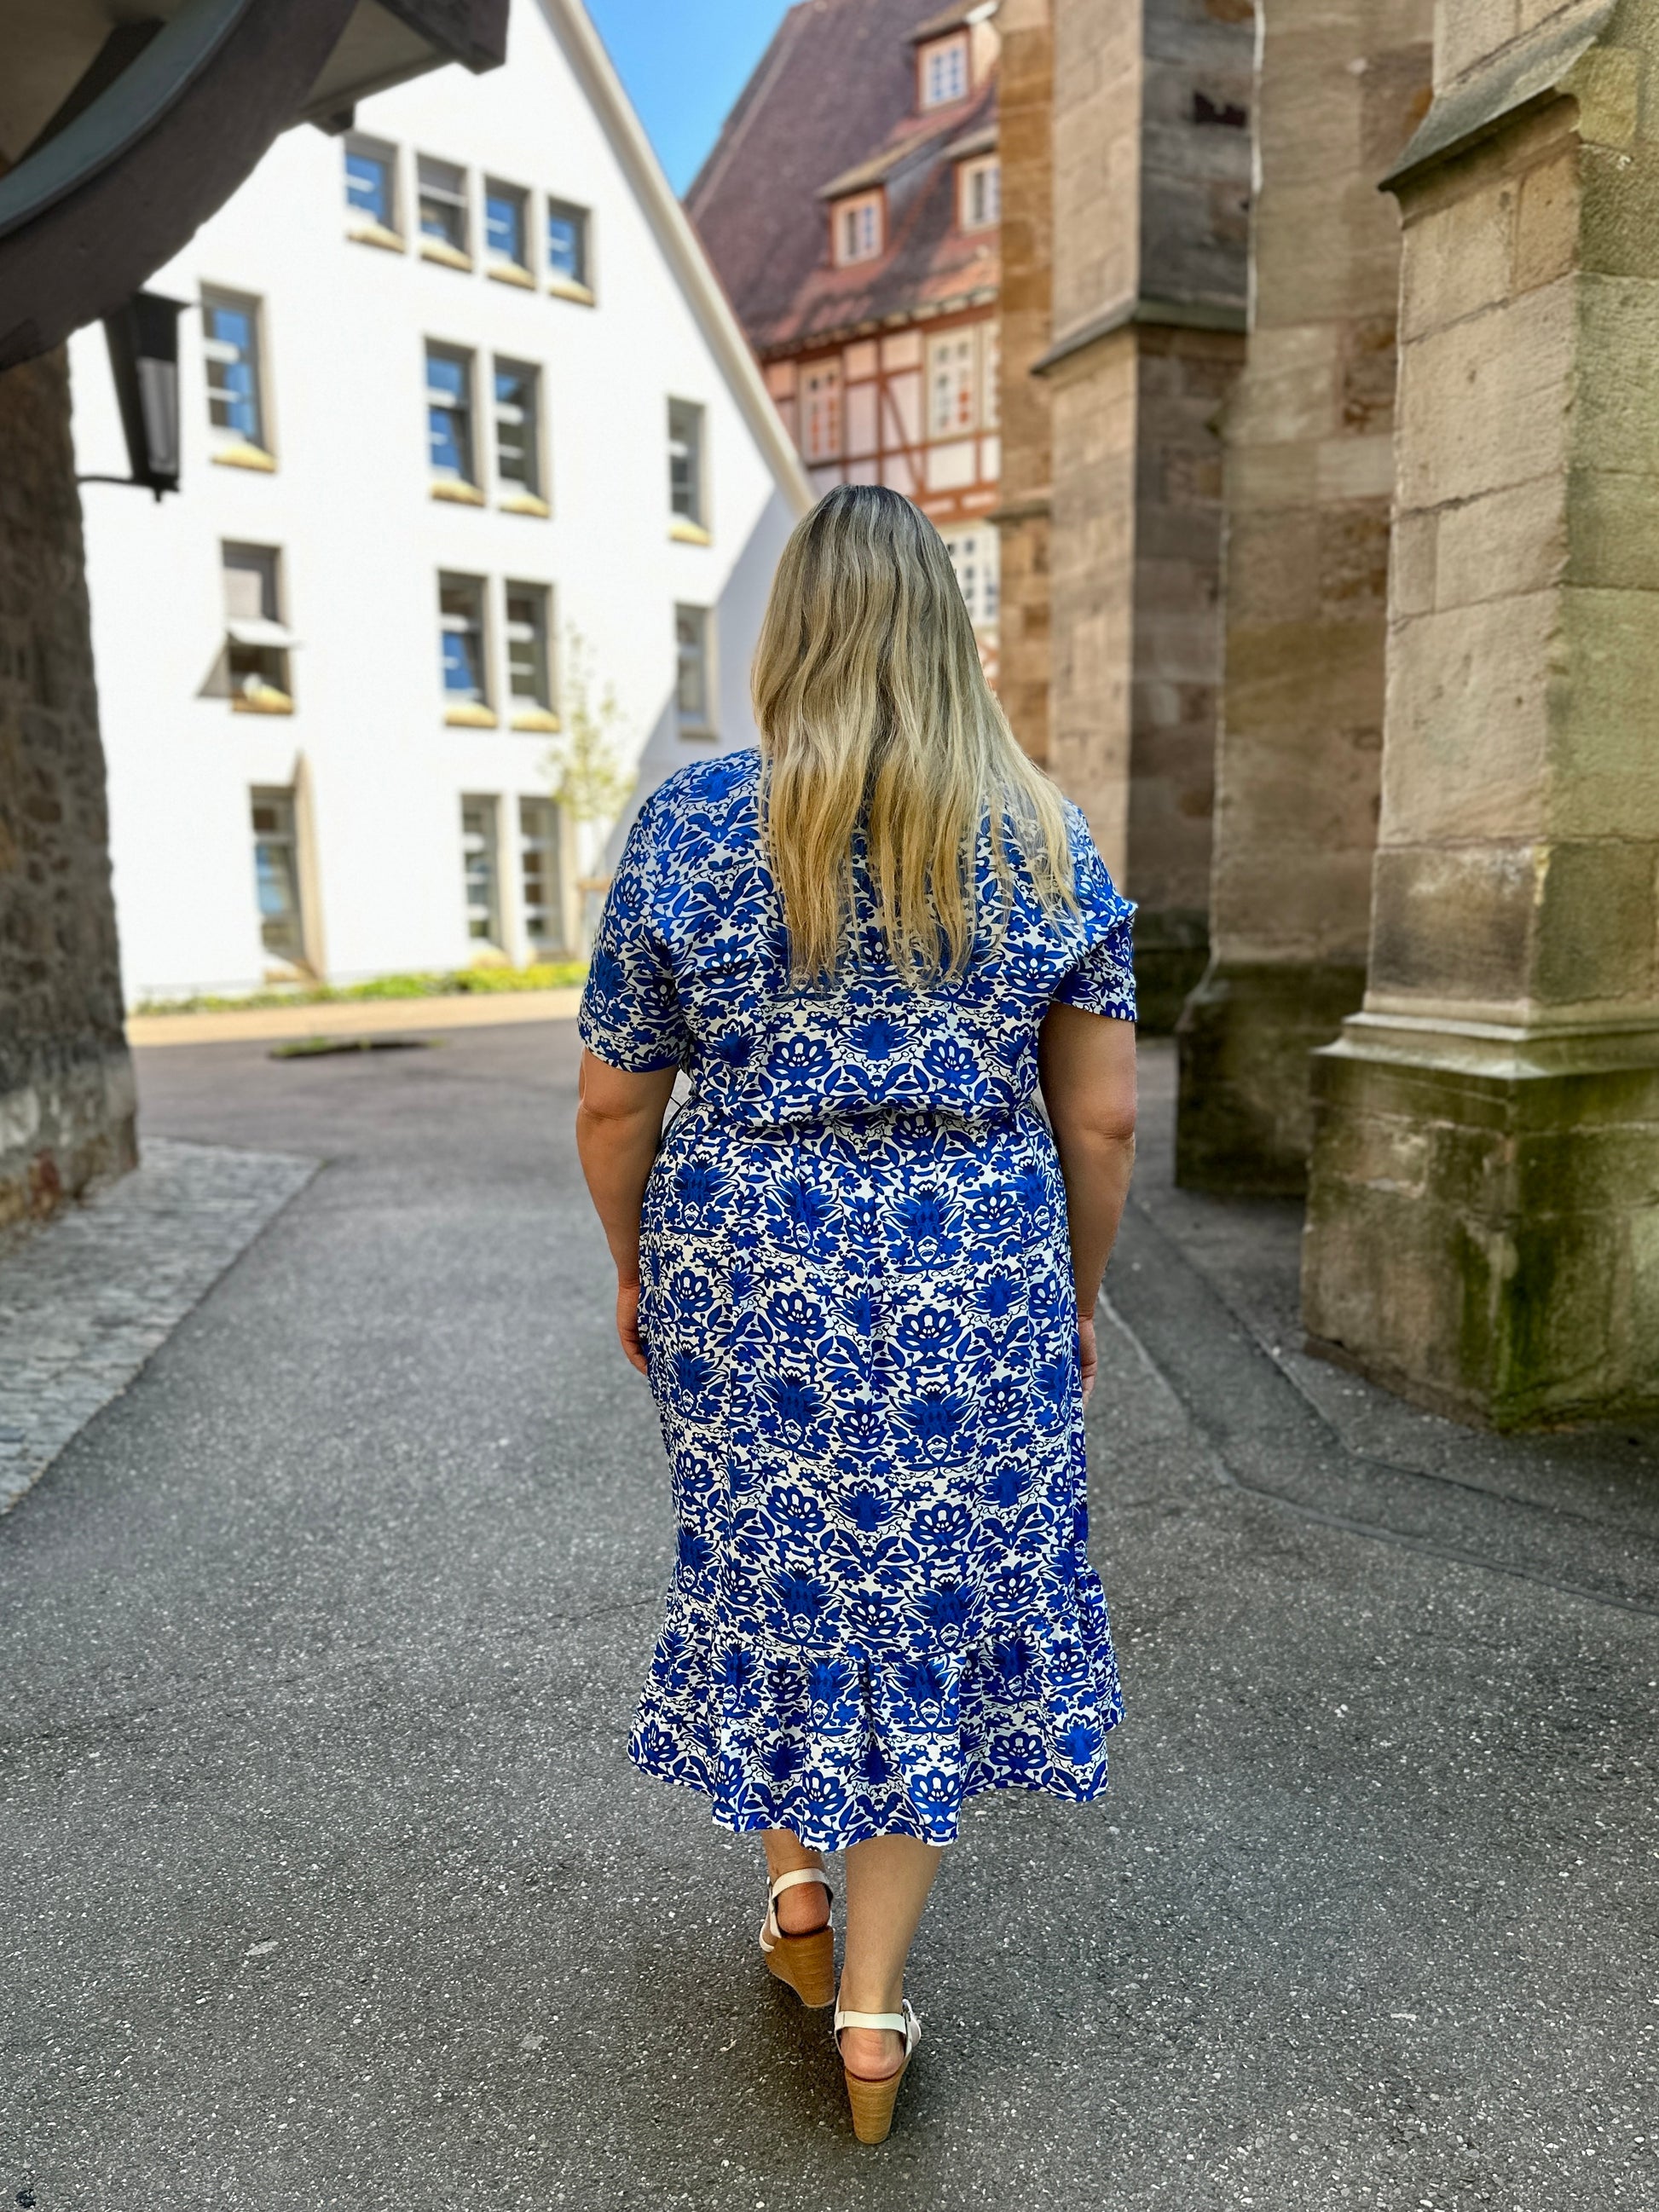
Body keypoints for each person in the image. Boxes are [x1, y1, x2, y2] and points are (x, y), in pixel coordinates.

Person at [575, 483, 1137, 2144]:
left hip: (747, 1271)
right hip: (973, 1280)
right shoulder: (1041, 833)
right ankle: (873, 2013)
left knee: (772, 1572)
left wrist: (631, 1265)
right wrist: (1073, 1295)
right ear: (946, 637)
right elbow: (1103, 1118)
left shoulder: (690, 826)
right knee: (922, 1613)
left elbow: (613, 1103)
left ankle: (797, 1900)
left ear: (793, 635)